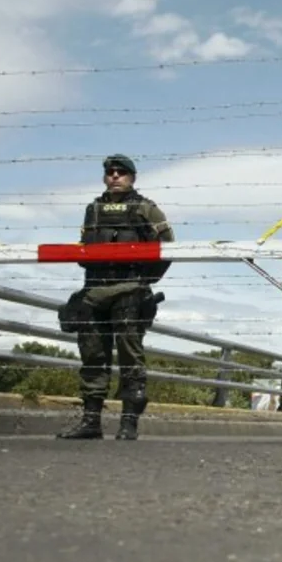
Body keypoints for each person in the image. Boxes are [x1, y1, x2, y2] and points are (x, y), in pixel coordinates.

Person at [56, 154, 174, 441]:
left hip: (129, 289)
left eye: (122, 172)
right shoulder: (93, 209)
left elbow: (167, 246)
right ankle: (91, 421)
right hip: (95, 290)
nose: (115, 176)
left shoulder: (146, 208)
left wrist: (144, 281)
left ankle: (128, 422)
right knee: (92, 355)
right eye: (110, 172)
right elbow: (85, 247)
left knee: (129, 356)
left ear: (133, 177)